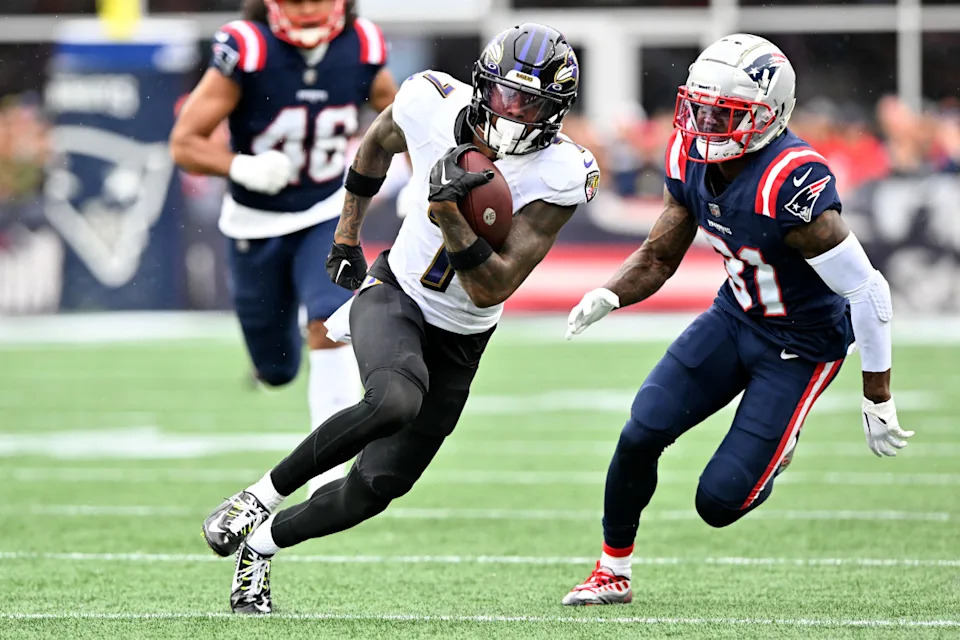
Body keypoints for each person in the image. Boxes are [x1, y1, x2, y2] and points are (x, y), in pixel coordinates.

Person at [198, 23, 599, 614]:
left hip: (463, 334)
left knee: (376, 489)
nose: (513, 112)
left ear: (557, 110)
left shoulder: (562, 172)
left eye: (531, 102)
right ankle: (257, 498)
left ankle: (261, 545)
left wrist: (450, 215)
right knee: (393, 400)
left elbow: (494, 287)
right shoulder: (430, 102)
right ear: (480, 84)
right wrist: (345, 240)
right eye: (505, 95)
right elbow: (374, 146)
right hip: (397, 293)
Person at [560, 34, 914, 606]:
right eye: (697, 109)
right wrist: (608, 293)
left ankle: (781, 442)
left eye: (723, 114)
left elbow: (867, 288)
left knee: (718, 503)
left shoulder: (790, 180)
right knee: (640, 431)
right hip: (735, 316)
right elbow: (657, 256)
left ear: (768, 116)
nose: (703, 125)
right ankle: (611, 571)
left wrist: (877, 395)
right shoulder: (688, 156)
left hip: (802, 344)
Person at [169, 0, 397, 495]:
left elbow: (401, 116)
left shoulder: (361, 44)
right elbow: (184, 142)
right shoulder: (248, 47)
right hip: (255, 223)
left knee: (329, 323)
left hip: (325, 210)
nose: (309, 8)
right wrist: (239, 166)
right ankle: (279, 348)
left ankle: (331, 473)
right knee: (276, 370)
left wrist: (427, 171)